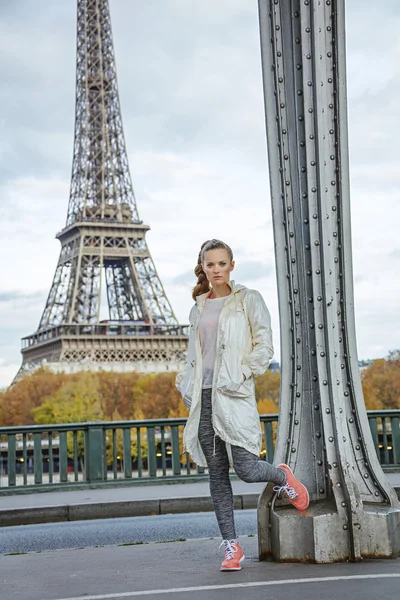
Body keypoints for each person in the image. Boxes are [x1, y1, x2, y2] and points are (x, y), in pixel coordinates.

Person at [176, 239, 309, 572]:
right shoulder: (198, 306)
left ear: (232, 266)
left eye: (222, 263)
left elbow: (264, 344)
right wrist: (186, 384)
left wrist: (243, 372)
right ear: (203, 267)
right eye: (210, 264)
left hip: (234, 393)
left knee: (247, 468)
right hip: (203, 396)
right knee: (217, 474)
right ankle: (231, 546)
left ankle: (282, 476)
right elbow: (195, 354)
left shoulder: (248, 299)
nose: (216, 270)